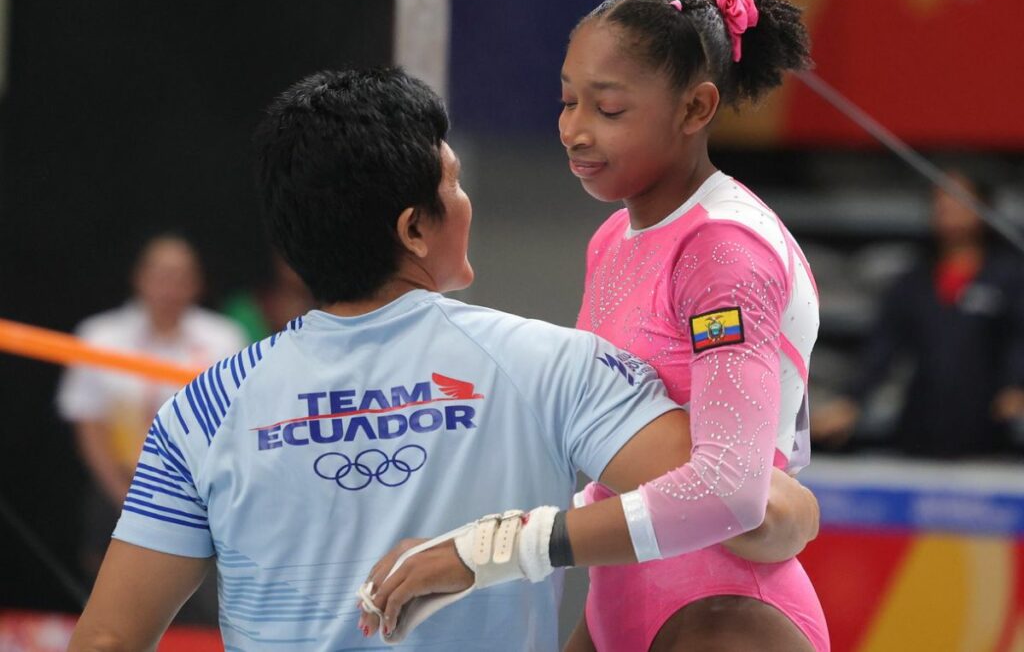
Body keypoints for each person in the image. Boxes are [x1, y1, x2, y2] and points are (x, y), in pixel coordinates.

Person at [68, 68, 818, 652]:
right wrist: (520, 539)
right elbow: (755, 508)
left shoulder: (201, 409)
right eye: (454, 184)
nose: (466, 202)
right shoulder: (551, 364)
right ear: (414, 229)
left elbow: (106, 637)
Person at [364, 0, 828, 651]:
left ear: (696, 107)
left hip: (727, 612)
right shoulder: (614, 239)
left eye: (608, 109)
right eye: (566, 100)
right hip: (624, 601)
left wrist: (487, 550)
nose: (574, 130)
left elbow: (729, 493)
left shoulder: (723, 248)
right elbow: (613, 466)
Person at [57, 235, 246, 579]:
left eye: (181, 277)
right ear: (139, 277)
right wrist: (125, 496)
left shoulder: (224, 338)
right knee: (113, 594)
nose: (170, 288)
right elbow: (88, 422)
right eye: (161, 275)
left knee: (195, 599)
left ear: (197, 283)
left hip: (199, 491)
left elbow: (237, 421)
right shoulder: (100, 336)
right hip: (119, 484)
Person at [813, 170, 1024, 456]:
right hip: (924, 416)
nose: (948, 209)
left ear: (983, 207)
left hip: (989, 420)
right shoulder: (915, 278)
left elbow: (1018, 337)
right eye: (941, 202)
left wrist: (1015, 384)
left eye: (959, 201)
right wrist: (853, 400)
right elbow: (884, 346)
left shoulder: (1009, 275)